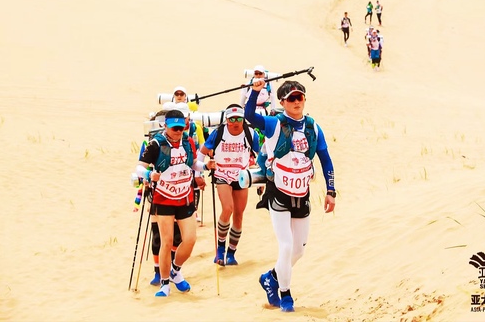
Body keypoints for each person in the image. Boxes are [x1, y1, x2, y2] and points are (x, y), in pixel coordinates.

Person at [245, 80, 336, 313]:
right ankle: (286, 295)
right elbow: (250, 117)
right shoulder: (274, 124)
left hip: (302, 193)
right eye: (291, 98)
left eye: (300, 97)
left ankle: (271, 277)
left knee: (299, 250)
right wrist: (255, 92)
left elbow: (325, 160)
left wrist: (331, 191)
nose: (297, 102)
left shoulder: (313, 128)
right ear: (282, 102)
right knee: (286, 246)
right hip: (279, 193)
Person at [137, 109, 207, 297]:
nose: (178, 131)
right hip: (164, 197)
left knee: (190, 239)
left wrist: (206, 166)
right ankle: (165, 283)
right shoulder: (156, 144)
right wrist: (149, 174)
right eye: (174, 128)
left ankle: (176, 270)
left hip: (185, 196)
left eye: (181, 128)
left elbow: (193, 164)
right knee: (166, 242)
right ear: (165, 126)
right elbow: (139, 168)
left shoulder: (188, 142)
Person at [198, 104, 260, 266]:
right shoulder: (218, 132)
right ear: (226, 120)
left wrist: (260, 178)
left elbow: (260, 155)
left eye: (239, 118)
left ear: (243, 119)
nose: (235, 122)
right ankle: (220, 249)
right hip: (222, 175)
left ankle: (231, 253)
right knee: (227, 209)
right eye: (231, 119)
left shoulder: (250, 133)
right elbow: (201, 152)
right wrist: (200, 172)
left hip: (242, 176)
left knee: (238, 215)